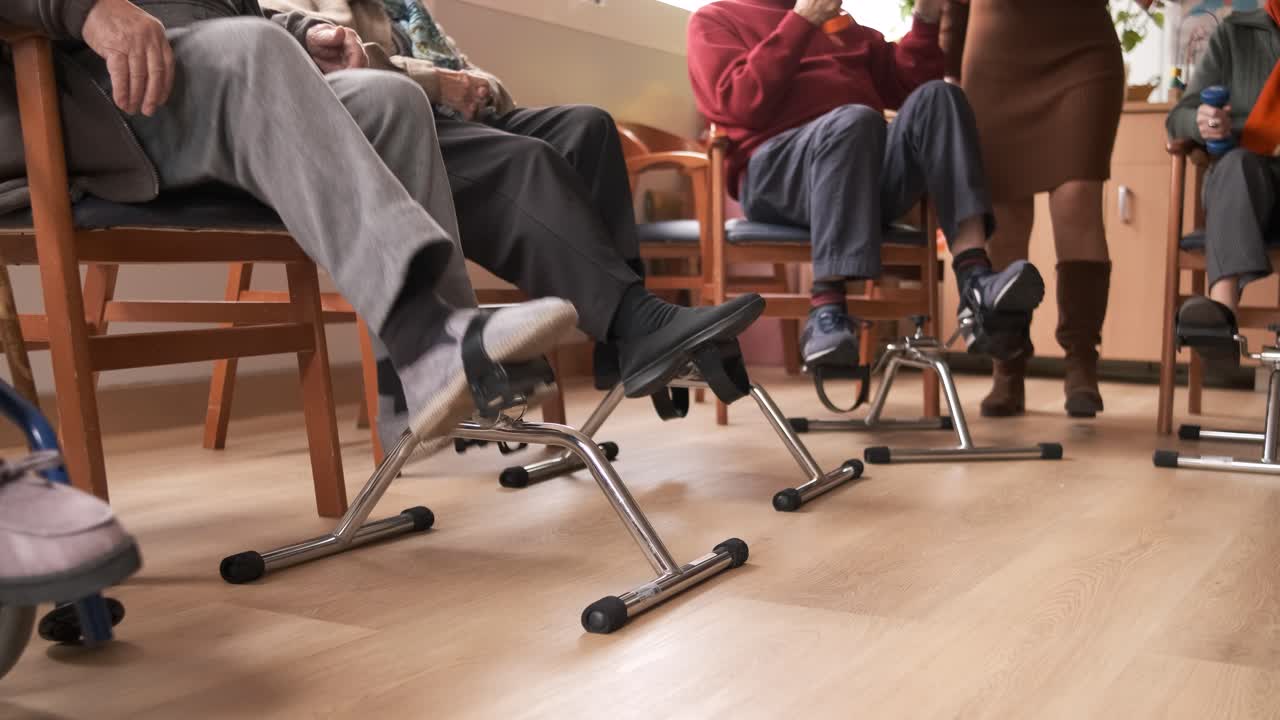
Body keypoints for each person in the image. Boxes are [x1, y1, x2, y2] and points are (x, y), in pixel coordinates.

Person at [0, 0, 756, 480]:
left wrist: (309, 32)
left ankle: (430, 372)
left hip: (205, 87)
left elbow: (233, 12)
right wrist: (85, 6)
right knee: (260, 52)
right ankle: (432, 341)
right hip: (93, 104)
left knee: (390, 99)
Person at [258, 0, 765, 451]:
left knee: (586, 127)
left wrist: (471, 85)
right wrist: (439, 81)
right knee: (526, 160)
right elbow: (332, 70)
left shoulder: (409, 8)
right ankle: (635, 323)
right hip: (386, 130)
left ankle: (621, 339)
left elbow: (487, 82)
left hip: (455, 117)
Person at [686, 0, 1045, 372]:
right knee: (855, 120)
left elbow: (909, 83)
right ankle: (826, 308)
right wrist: (800, 23)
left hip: (861, 173)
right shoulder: (715, 20)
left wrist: (925, 18)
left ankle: (975, 280)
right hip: (777, 177)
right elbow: (736, 103)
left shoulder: (842, 27)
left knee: (941, 96)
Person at [941, 0, 1124, 419]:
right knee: (1005, 218)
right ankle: (1008, 365)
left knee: (1076, 199)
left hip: (1083, 48)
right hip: (995, 55)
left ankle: (1081, 361)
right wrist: (948, 58)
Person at [1168, 2, 1280, 364]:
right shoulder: (1235, 33)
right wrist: (1202, 120)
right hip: (1247, 188)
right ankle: (1220, 314)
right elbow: (1179, 118)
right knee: (1236, 164)